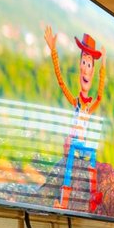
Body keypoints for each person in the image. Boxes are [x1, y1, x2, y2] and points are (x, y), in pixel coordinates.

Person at [44, 25, 104, 211]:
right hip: (73, 144)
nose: (86, 70)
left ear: (92, 72)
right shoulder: (76, 102)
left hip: (83, 146)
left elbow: (100, 95)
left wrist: (104, 67)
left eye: (89, 65)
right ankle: (64, 199)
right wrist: (53, 51)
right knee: (70, 157)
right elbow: (61, 82)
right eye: (83, 64)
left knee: (91, 157)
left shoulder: (90, 105)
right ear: (80, 67)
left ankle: (93, 196)